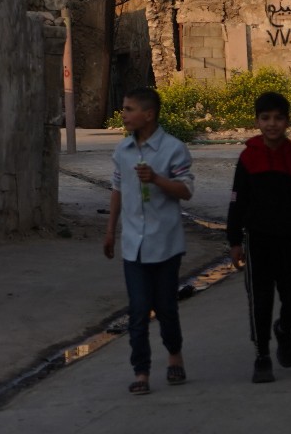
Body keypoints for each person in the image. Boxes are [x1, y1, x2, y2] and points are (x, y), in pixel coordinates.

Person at [226, 91, 291, 383]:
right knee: (260, 299)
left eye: (278, 118)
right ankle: (262, 355)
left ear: (287, 121)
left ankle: (284, 328)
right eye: (265, 118)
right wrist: (234, 241)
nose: (272, 124)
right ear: (257, 121)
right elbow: (237, 201)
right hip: (258, 241)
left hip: (290, 240)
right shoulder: (248, 158)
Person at [105, 86, 195, 395]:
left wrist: (157, 179)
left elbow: (186, 190)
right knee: (138, 309)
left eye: (129, 109)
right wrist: (110, 230)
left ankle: (174, 355)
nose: (124, 115)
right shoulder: (122, 151)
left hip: (166, 243)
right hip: (133, 244)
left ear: (149, 114)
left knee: (166, 307)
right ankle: (141, 371)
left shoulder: (173, 149)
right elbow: (117, 190)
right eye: (124, 109)